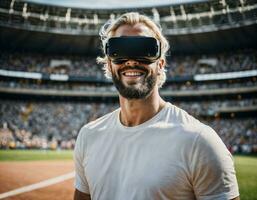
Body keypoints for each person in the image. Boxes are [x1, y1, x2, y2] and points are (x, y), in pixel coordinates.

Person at [73, 12, 240, 200]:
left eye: (145, 50)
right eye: (119, 51)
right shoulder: (88, 136)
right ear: (110, 65)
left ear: (160, 64)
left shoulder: (199, 141)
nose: (132, 60)